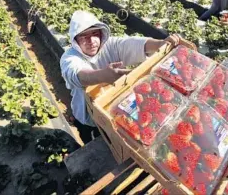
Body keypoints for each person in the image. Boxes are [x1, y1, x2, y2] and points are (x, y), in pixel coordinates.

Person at [60, 11, 181, 143]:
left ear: (101, 33)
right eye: (84, 37)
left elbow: (133, 44)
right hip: (87, 116)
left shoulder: (110, 45)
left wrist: (161, 44)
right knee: (91, 140)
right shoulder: (69, 58)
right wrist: (103, 76)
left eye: (95, 34)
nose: (91, 41)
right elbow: (76, 75)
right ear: (75, 40)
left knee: (112, 139)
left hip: (114, 110)